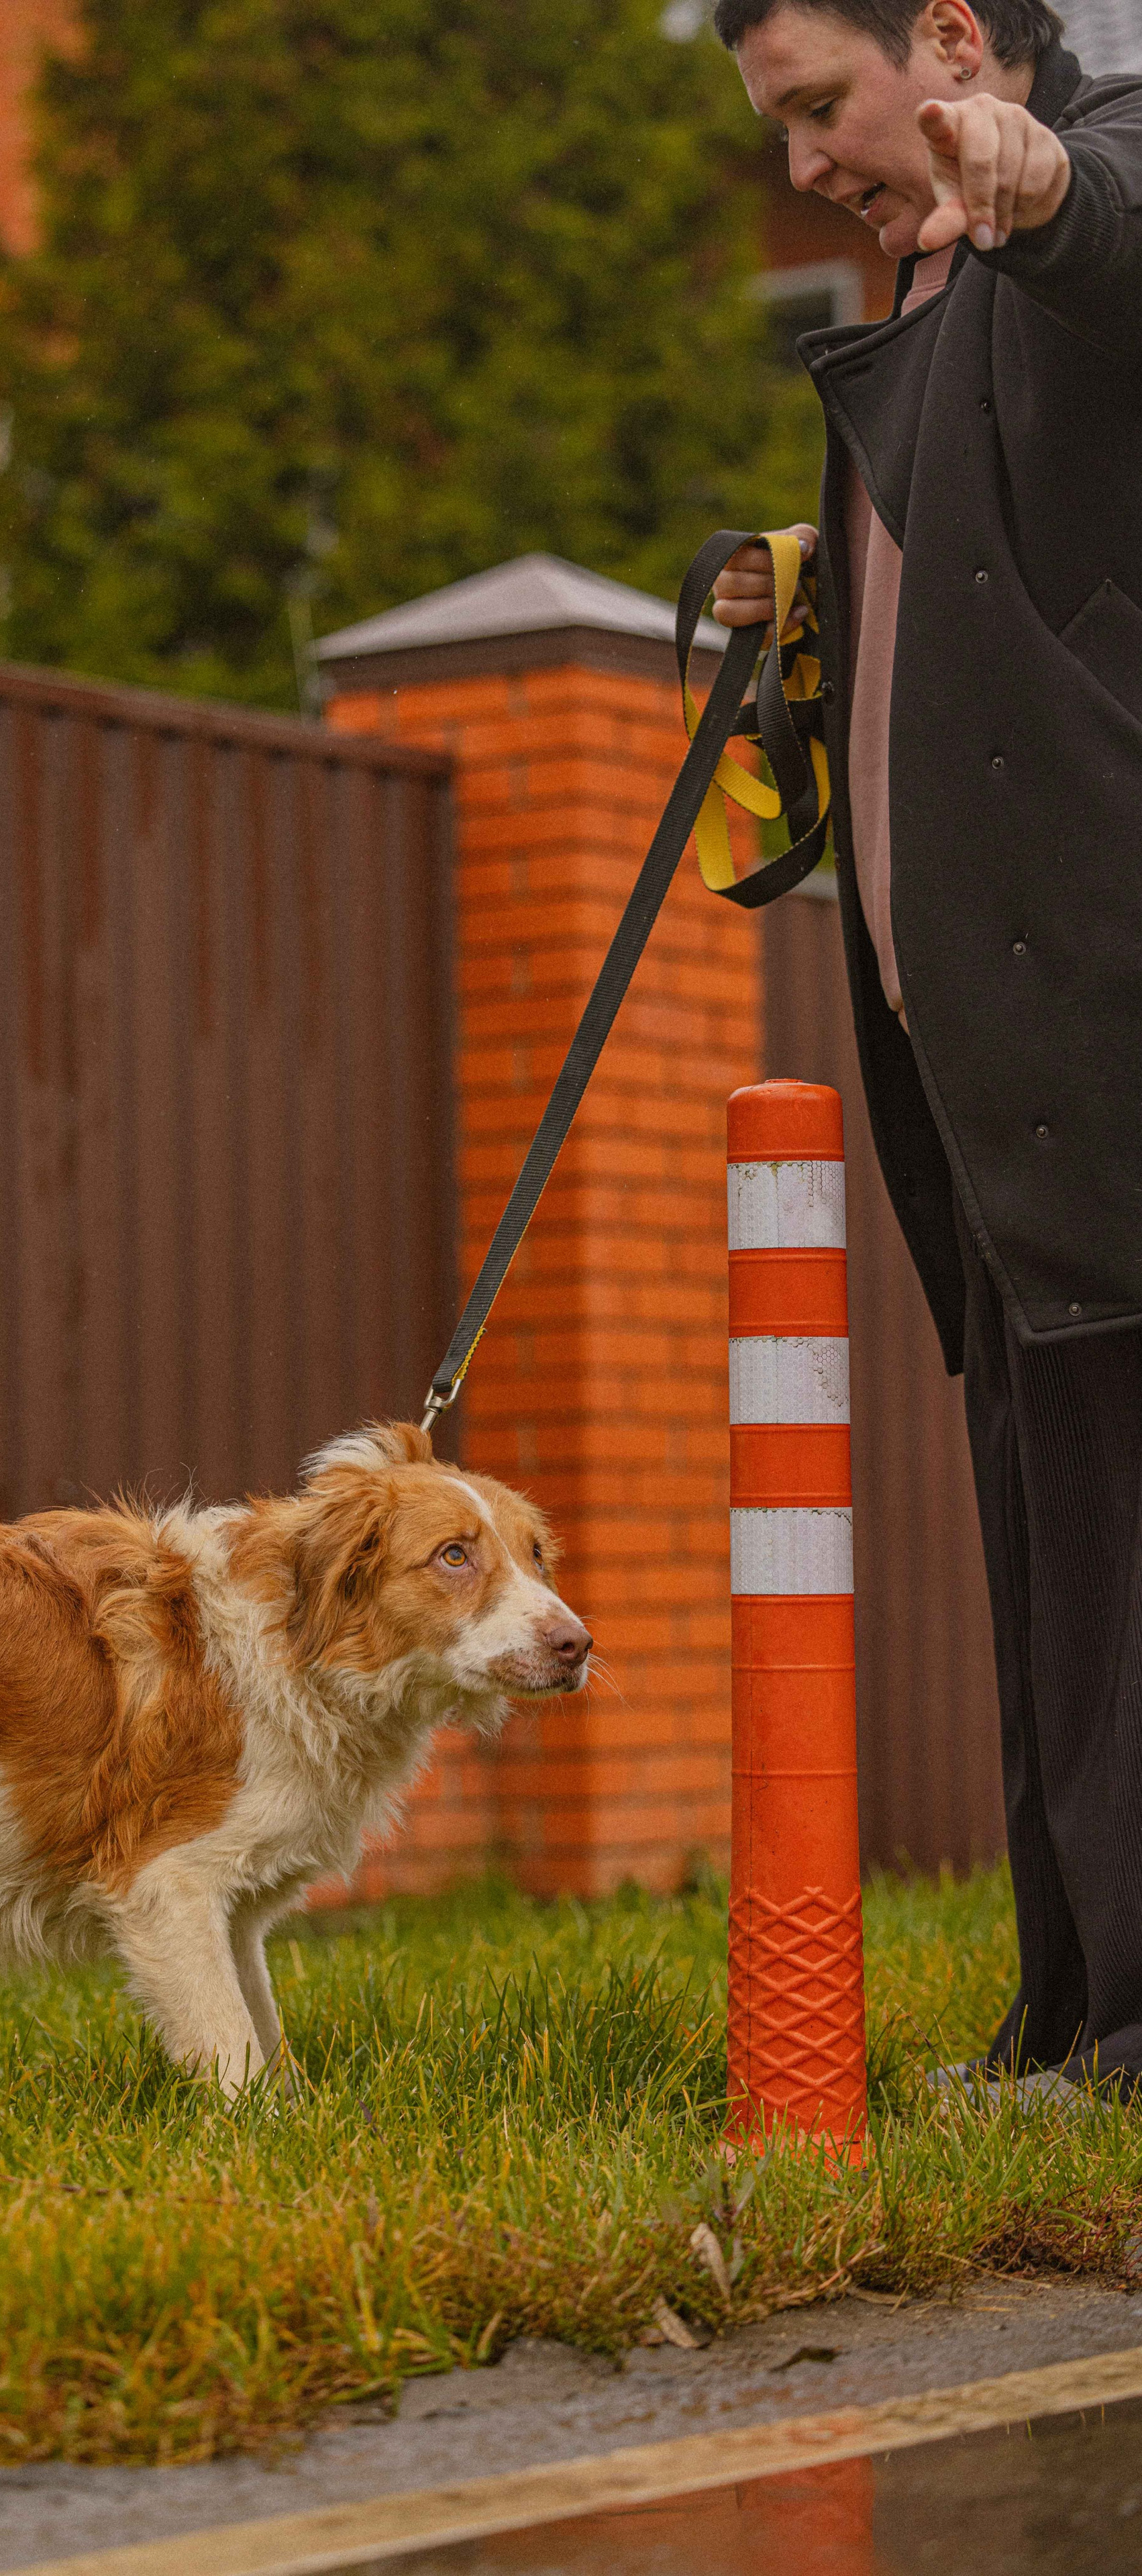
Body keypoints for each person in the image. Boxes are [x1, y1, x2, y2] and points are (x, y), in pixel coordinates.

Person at [709, 0, 1142, 2097]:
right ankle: (1071, 2011)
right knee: (1050, 1552)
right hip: (976, 1032)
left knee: (1124, 1541)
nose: (804, 165)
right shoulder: (921, 296)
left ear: (953, 36)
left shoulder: (1078, 182)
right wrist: (806, 597)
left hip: (1105, 1013)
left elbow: (1117, 226)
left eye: (820, 107)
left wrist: (1047, 190)